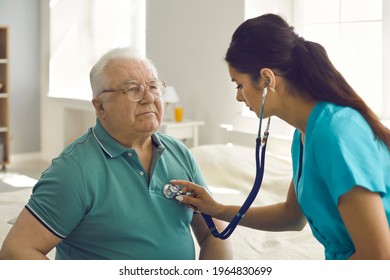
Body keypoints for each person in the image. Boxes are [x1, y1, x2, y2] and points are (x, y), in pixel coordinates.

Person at [172, 14, 390, 260]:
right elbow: (291, 216)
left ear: (267, 79)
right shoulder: (305, 134)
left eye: (239, 85)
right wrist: (217, 209)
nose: (238, 97)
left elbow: (378, 256)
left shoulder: (337, 133)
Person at [0, 47, 232, 260]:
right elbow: (15, 252)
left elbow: (215, 234)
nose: (149, 98)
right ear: (100, 106)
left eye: (153, 87)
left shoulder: (179, 153)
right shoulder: (73, 170)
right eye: (132, 89)